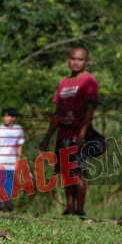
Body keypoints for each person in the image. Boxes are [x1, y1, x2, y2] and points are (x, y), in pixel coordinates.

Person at [40, 46, 98, 216]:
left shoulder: (89, 81)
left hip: (78, 133)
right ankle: (69, 209)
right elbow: (57, 113)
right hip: (63, 134)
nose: (75, 62)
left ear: (86, 62)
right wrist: (47, 137)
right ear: (68, 60)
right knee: (66, 172)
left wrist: (82, 133)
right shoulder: (64, 83)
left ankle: (80, 210)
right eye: (73, 58)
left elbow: (90, 110)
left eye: (80, 59)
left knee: (77, 171)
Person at [0, 107, 24, 207]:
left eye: (8, 116)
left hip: (11, 165)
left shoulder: (19, 130)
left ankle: (7, 208)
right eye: (4, 116)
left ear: (13, 118)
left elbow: (19, 147)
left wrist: (18, 162)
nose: (5, 118)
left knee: (9, 190)